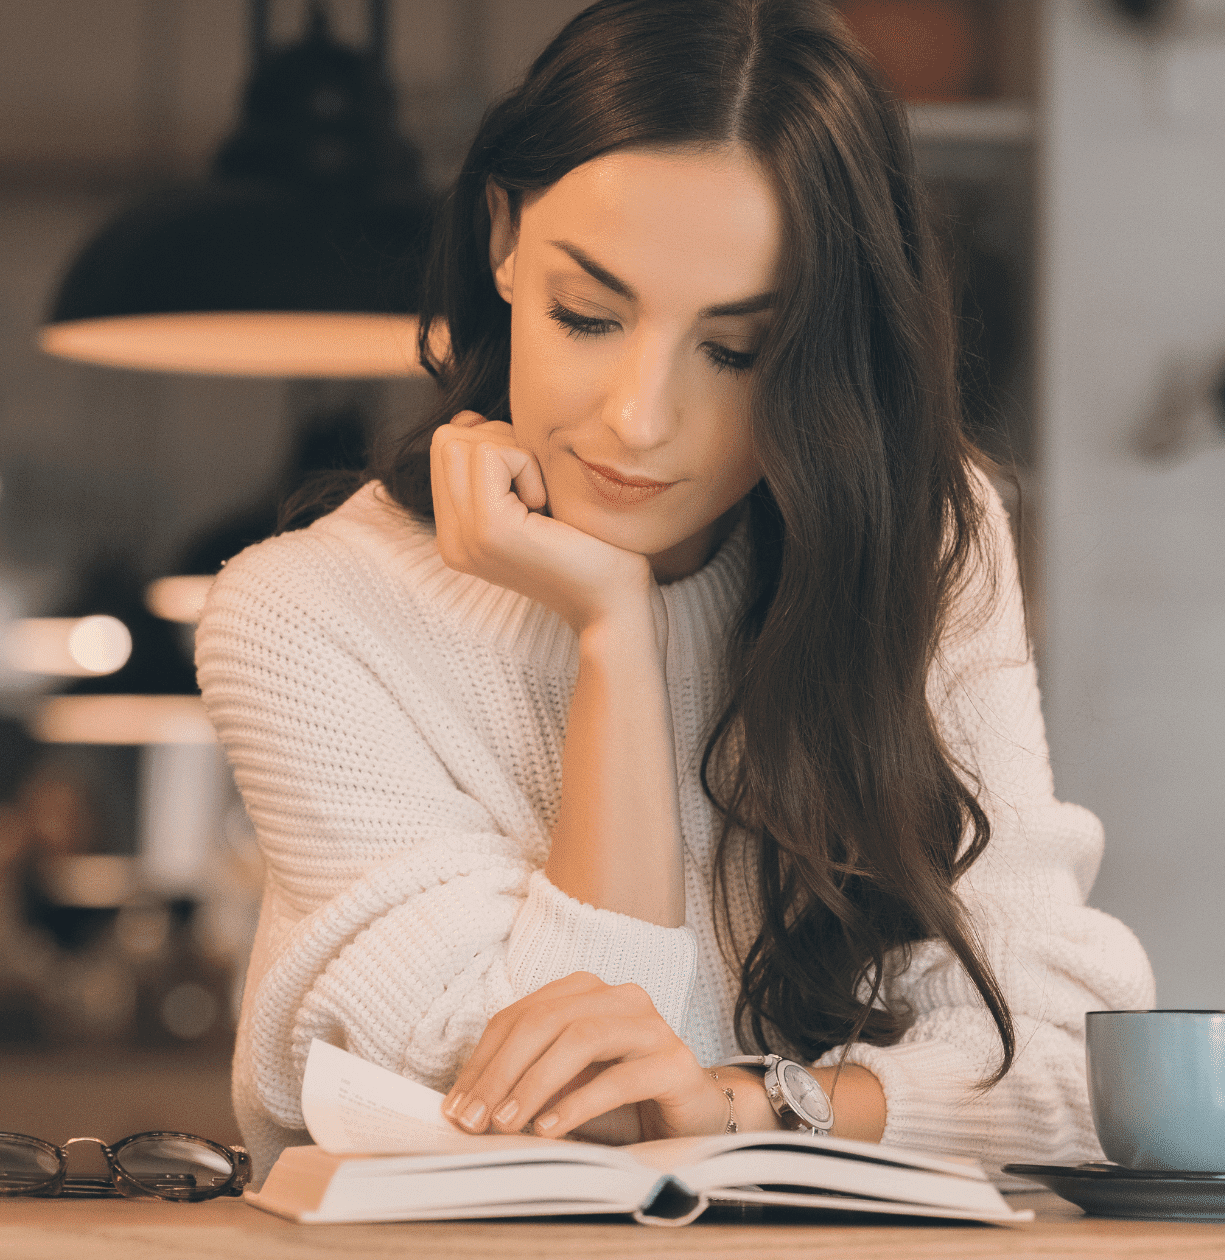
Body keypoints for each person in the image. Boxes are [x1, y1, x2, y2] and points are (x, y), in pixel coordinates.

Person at [196, 0, 1152, 1179]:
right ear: (502, 238)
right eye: (587, 315)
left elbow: (1065, 1077)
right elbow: (560, 1122)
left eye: (736, 350)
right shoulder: (305, 617)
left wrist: (738, 1107)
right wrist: (611, 635)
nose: (639, 420)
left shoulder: (920, 543)